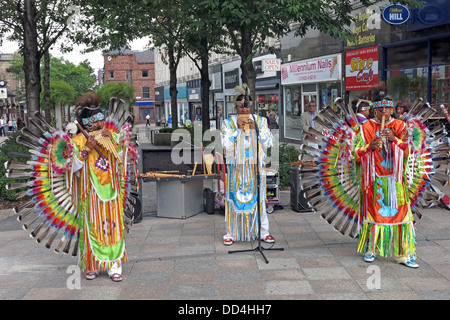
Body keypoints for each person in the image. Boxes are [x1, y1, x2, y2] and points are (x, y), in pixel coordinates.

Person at [354, 88, 418, 268]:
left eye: (387, 109)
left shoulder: (400, 126)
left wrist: (395, 140)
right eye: (380, 110)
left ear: (392, 109)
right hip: (374, 179)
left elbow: (408, 151)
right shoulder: (365, 127)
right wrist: (370, 146)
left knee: (401, 215)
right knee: (373, 214)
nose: (384, 113)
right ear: (375, 110)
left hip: (395, 180)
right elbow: (356, 154)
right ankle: (370, 248)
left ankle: (403, 254)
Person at [71, 92, 128, 281]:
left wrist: (113, 140)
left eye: (101, 121)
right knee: (92, 228)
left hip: (111, 192)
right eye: (95, 122)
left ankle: (114, 265)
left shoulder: (110, 137)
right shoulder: (77, 142)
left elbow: (121, 158)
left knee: (112, 227)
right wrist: (86, 148)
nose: (100, 125)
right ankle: (92, 265)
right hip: (90, 193)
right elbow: (72, 167)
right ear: (87, 124)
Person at [220, 86, 275, 246]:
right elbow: (226, 147)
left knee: (260, 200)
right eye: (241, 106)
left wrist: (255, 130)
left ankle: (263, 232)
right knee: (233, 200)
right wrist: (237, 130)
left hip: (255, 170)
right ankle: (231, 233)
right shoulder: (228, 123)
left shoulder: (260, 121)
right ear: (236, 107)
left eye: (247, 105)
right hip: (236, 171)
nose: (244, 109)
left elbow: (268, 143)